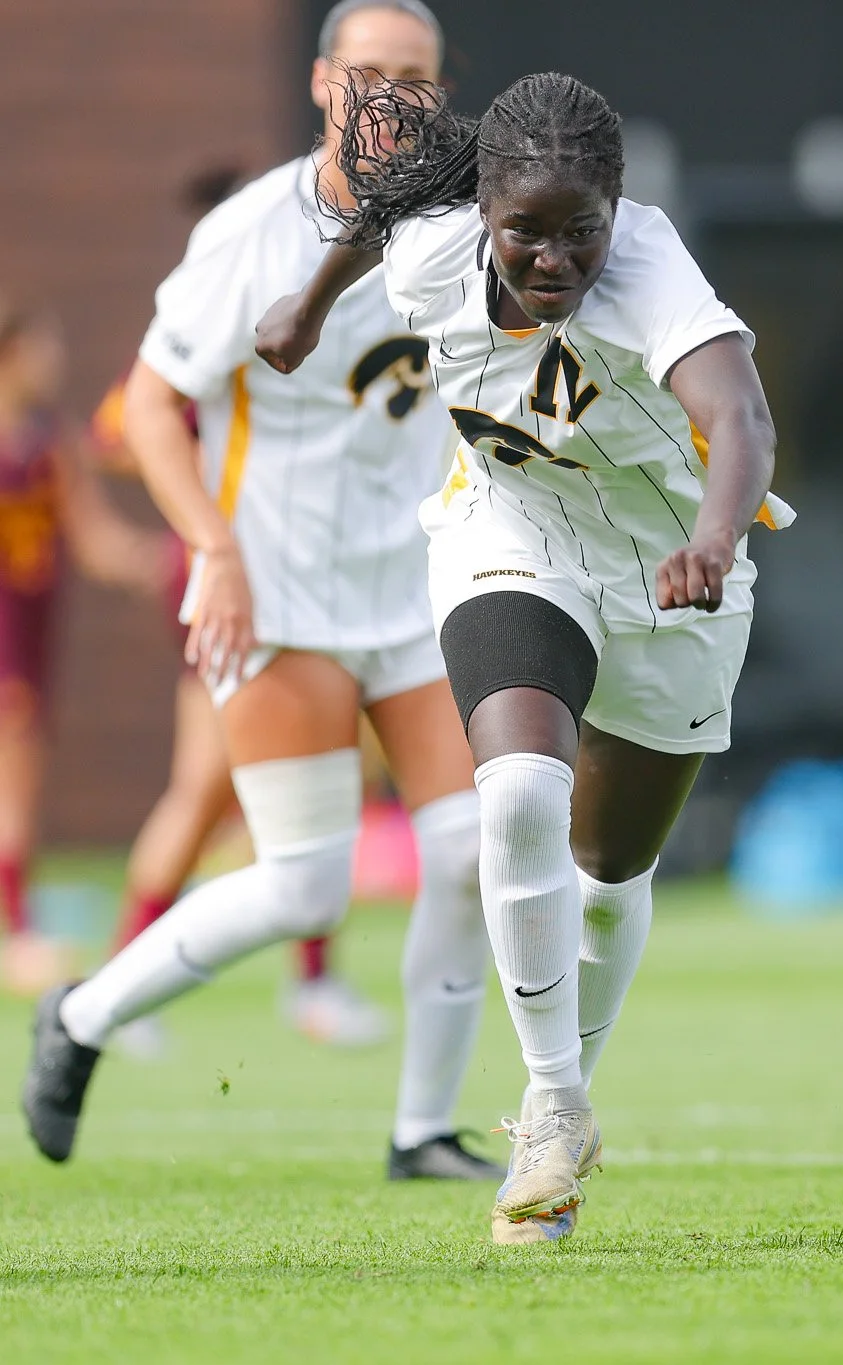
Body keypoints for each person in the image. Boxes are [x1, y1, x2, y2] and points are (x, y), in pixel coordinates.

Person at [247, 70, 787, 1242]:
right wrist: (304, 305)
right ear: (483, 211)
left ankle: (562, 1099)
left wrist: (711, 535)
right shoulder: (435, 245)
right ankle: (552, 1109)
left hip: (669, 577)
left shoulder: (651, 272)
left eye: (578, 233)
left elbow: (741, 418)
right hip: (511, 536)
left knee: (608, 881)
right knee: (519, 794)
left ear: (618, 210)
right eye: (524, 233)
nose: (552, 260)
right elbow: (384, 215)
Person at [21, 0, 500, 1182]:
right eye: (371, 72)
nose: (395, 95)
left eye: (418, 77)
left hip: (413, 585)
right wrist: (213, 550)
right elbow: (140, 406)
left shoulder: (466, 223)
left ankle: (420, 1128)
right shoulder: (252, 232)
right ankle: (81, 1018)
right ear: (324, 83)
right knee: (301, 885)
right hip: (277, 590)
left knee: (470, 848)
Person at [91, 360, 389, 1054]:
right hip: (235, 577)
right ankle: (120, 981)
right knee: (203, 787)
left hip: (323, 572)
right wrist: (222, 487)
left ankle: (313, 980)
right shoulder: (224, 305)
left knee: (339, 775)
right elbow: (118, 431)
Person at [0, 305, 171, 998]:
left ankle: (18, 924)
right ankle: (17, 931)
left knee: (23, 776)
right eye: (42, 348)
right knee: (13, 777)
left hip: (34, 632)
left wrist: (162, 560)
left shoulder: (51, 441)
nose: (54, 362)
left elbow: (95, 538)